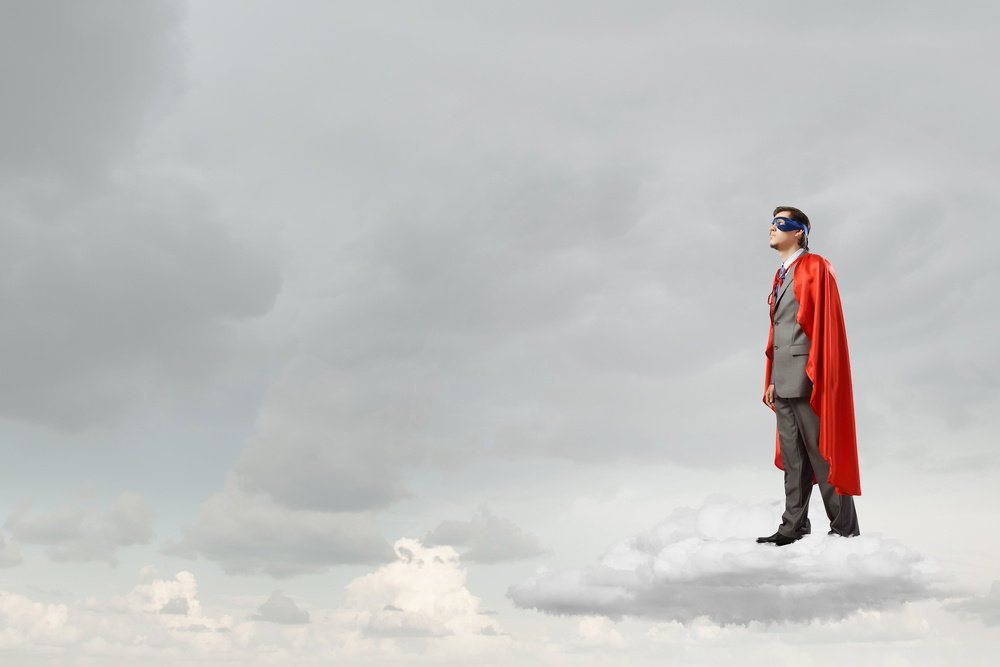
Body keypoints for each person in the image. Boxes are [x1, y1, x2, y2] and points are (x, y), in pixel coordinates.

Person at [757, 206, 861, 546]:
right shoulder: (781, 274)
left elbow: (823, 324)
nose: (772, 228)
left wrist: (820, 374)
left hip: (809, 377)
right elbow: (780, 331)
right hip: (784, 379)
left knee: (822, 454)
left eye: (780, 223)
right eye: (771, 223)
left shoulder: (815, 266)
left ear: (799, 231)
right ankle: (793, 526)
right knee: (794, 459)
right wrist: (773, 379)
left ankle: (844, 529)